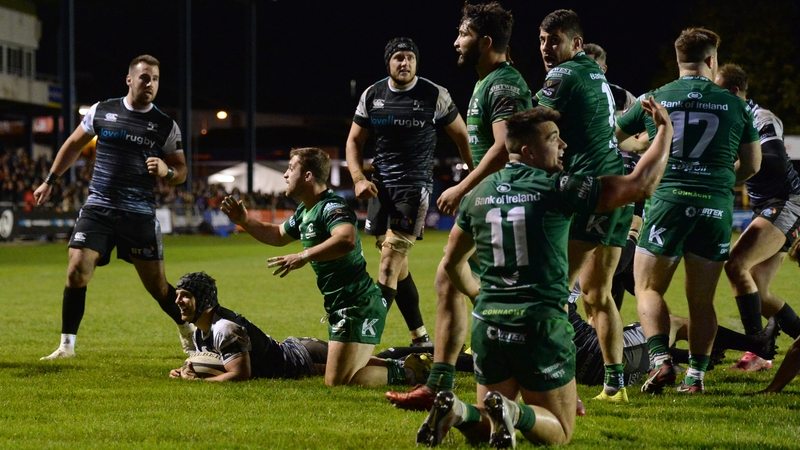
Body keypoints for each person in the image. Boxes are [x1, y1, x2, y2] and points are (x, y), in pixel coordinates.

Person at [416, 100, 672, 448]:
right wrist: (665, 132)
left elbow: (451, 264)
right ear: (528, 150)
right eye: (553, 139)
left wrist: (479, 295)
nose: (563, 145)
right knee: (560, 432)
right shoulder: (557, 188)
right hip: (540, 326)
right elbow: (640, 185)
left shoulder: (478, 195)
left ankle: (460, 412)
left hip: (488, 326)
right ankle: (515, 413)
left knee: (486, 420)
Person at [386, 1, 533, 410]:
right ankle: (440, 381)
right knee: (448, 276)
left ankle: (514, 351)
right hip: (487, 198)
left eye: (463, 34)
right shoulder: (491, 81)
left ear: (485, 42)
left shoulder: (502, 84)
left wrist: (462, 185)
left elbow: (507, 148)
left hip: (502, 200)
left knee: (474, 282)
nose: (456, 41)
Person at [616, 28, 761, 394]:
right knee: (702, 300)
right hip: (714, 206)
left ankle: (661, 361)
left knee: (647, 287)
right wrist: (724, 182)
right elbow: (753, 165)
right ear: (712, 61)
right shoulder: (736, 104)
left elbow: (613, 134)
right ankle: (694, 378)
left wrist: (644, 148)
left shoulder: (656, 98)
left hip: (667, 202)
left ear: (679, 60)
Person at [34, 55, 194, 360]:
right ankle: (66, 347)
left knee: (159, 288)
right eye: (145, 77)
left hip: (139, 214)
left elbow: (182, 171)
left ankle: (187, 330)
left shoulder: (165, 125)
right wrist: (50, 180)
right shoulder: (102, 110)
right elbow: (73, 144)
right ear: (129, 79)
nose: (150, 84)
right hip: (99, 208)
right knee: (76, 270)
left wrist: (167, 171)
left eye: (156, 79)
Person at [221, 147, 389, 386]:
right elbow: (278, 234)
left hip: (357, 304)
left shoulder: (332, 206)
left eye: (291, 168)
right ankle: (404, 365)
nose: (286, 175)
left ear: (308, 175)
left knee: (339, 382)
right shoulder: (305, 210)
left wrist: (303, 256)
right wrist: (244, 221)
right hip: (340, 305)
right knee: (340, 371)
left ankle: (412, 374)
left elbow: (346, 239)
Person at [346, 37, 472, 347]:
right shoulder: (372, 95)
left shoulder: (434, 94)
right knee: (397, 266)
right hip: (380, 189)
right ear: (388, 62)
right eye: (399, 58)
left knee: (389, 262)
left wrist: (474, 178)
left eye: (410, 58)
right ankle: (421, 337)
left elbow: (462, 138)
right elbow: (353, 141)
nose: (405, 63)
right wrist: (359, 177)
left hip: (414, 188)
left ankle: (362, 340)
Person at [535, 9, 634, 402]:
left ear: (576, 44)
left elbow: (533, 119)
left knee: (556, 290)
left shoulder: (563, 74)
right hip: (615, 190)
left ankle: (556, 383)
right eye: (541, 40)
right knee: (597, 294)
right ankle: (615, 384)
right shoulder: (596, 74)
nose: (546, 48)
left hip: (588, 191)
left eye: (553, 40)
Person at [168, 271, 432, 385]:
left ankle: (420, 367)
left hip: (300, 359)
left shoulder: (224, 328)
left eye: (185, 295)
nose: (178, 301)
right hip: (294, 352)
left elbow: (240, 374)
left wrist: (204, 383)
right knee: (356, 364)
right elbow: (208, 361)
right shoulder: (202, 330)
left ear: (203, 299)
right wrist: (185, 371)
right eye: (178, 295)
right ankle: (415, 362)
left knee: (354, 369)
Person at [715, 63, 800, 371]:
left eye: (718, 89)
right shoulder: (730, 117)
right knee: (758, 291)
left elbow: (776, 161)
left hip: (787, 201)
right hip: (767, 205)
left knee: (736, 265)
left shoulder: (759, 117)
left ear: (734, 92)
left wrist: (735, 163)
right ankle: (767, 349)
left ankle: (756, 345)